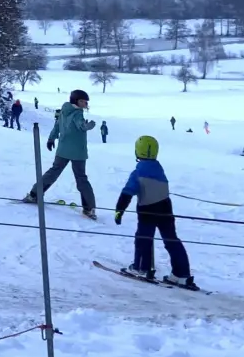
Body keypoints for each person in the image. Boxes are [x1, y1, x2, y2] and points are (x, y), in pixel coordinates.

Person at [113, 136, 196, 289]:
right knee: (171, 240)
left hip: (147, 210)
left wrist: (119, 211)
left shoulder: (138, 172)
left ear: (138, 151)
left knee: (143, 238)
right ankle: (181, 274)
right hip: (165, 208)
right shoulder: (159, 170)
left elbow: (127, 193)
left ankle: (142, 268)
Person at [26, 89, 97, 218]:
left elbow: (57, 126)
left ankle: (34, 194)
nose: (85, 104)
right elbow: (81, 126)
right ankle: (89, 208)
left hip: (63, 149)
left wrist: (51, 139)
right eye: (83, 101)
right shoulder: (78, 113)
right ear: (76, 101)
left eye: (86, 102)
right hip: (78, 152)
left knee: (53, 172)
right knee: (81, 178)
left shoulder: (64, 110)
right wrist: (90, 125)